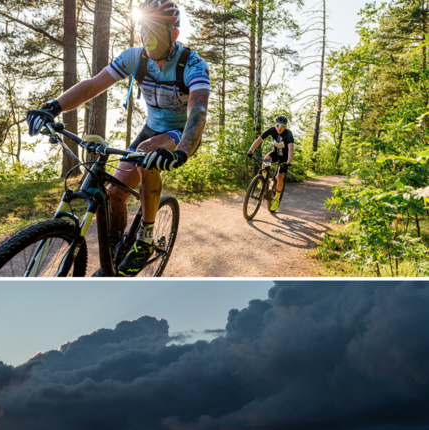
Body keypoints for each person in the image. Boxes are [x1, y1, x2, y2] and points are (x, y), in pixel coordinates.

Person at [26, 0, 210, 276]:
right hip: (151, 127)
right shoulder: (135, 57)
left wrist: (181, 152)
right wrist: (53, 106)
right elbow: (93, 85)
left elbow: (197, 113)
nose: (146, 37)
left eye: (155, 30)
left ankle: (145, 240)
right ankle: (113, 255)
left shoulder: (193, 66)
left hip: (180, 135)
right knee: (114, 193)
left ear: (173, 34)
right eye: (143, 29)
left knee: (148, 153)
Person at [246, 115, 294, 212]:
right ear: (275, 125)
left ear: (285, 126)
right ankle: (263, 181)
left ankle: (276, 198)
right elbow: (259, 140)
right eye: (277, 125)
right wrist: (250, 151)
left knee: (280, 177)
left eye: (282, 126)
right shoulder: (272, 130)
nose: (279, 128)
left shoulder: (288, 133)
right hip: (275, 154)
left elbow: (290, 148)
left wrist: (289, 162)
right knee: (266, 159)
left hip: (284, 158)